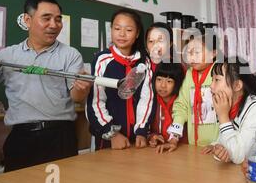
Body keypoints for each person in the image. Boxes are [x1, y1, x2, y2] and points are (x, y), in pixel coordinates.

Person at [0, 0, 91, 172]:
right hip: (21, 137)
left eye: (58, 19)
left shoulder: (70, 54)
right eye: (46, 18)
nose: (54, 25)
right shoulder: (8, 55)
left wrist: (82, 88)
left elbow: (76, 96)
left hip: (59, 136)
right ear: (27, 20)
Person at [86, 8, 154, 150]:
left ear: (137, 34)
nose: (122, 34)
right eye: (117, 28)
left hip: (136, 140)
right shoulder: (102, 59)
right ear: (111, 29)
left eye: (129, 30)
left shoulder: (144, 62)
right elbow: (96, 101)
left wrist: (141, 131)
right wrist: (112, 133)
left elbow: (146, 99)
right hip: (109, 139)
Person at [157, 30, 219, 153]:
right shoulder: (190, 74)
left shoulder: (220, 72)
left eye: (197, 52)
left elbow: (231, 112)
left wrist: (219, 144)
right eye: (189, 52)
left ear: (213, 53)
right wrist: (173, 138)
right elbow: (181, 107)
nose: (192, 57)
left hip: (217, 148)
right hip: (194, 147)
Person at [201, 57, 256, 164]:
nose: (211, 86)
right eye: (212, 80)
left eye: (217, 80)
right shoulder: (231, 105)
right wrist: (216, 146)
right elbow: (228, 142)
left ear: (237, 85)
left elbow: (240, 157)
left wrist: (223, 117)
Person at [147, 62, 186, 147]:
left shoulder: (182, 104)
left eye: (169, 81)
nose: (163, 85)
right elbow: (146, 128)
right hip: (158, 153)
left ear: (177, 83)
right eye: (159, 79)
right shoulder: (150, 102)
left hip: (183, 150)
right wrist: (153, 137)